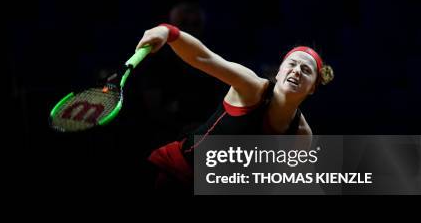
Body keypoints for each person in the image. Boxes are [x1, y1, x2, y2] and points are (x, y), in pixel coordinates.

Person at [137, 23, 334, 193]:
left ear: (313, 88)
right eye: (292, 64)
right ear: (280, 71)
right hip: (178, 175)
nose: (297, 71)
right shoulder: (252, 88)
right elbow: (204, 58)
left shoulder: (301, 135)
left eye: (306, 70)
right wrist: (169, 32)